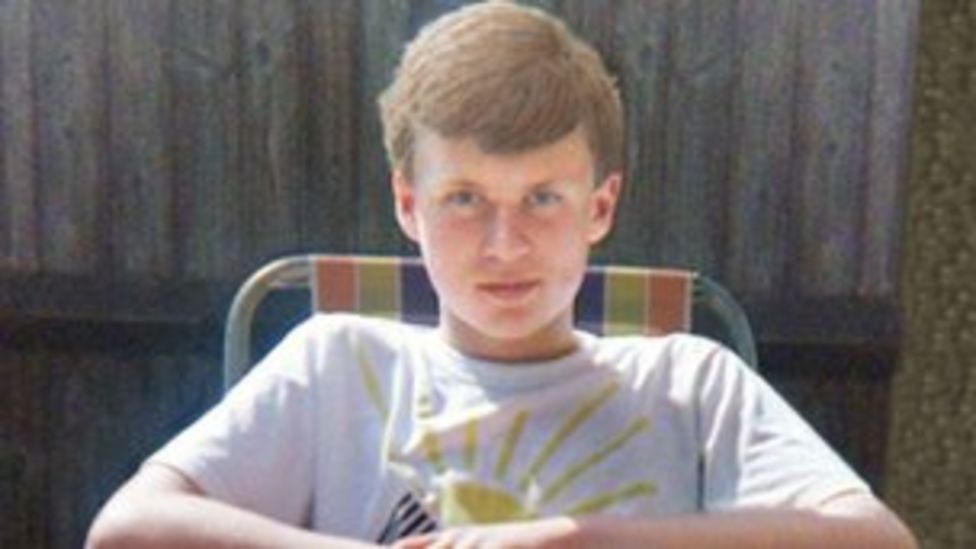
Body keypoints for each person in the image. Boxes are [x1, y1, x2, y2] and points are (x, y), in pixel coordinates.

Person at [87, 2, 916, 547]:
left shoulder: (691, 383)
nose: (504, 242)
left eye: (544, 198)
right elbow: (127, 528)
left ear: (600, 206)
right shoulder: (337, 363)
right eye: (464, 199)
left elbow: (877, 540)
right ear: (409, 206)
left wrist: (577, 539)